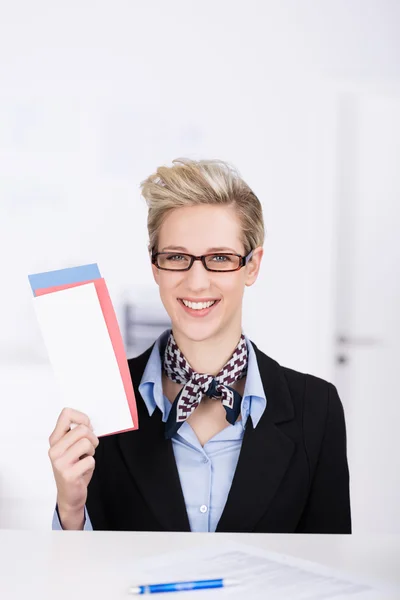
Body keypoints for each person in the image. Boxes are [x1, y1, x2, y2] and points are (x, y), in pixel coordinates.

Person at [49, 158, 351, 533]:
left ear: (252, 266)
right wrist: (71, 508)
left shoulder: (316, 409)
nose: (196, 283)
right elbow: (77, 583)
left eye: (219, 258)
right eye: (177, 257)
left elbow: (331, 574)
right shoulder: (101, 399)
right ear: (155, 266)